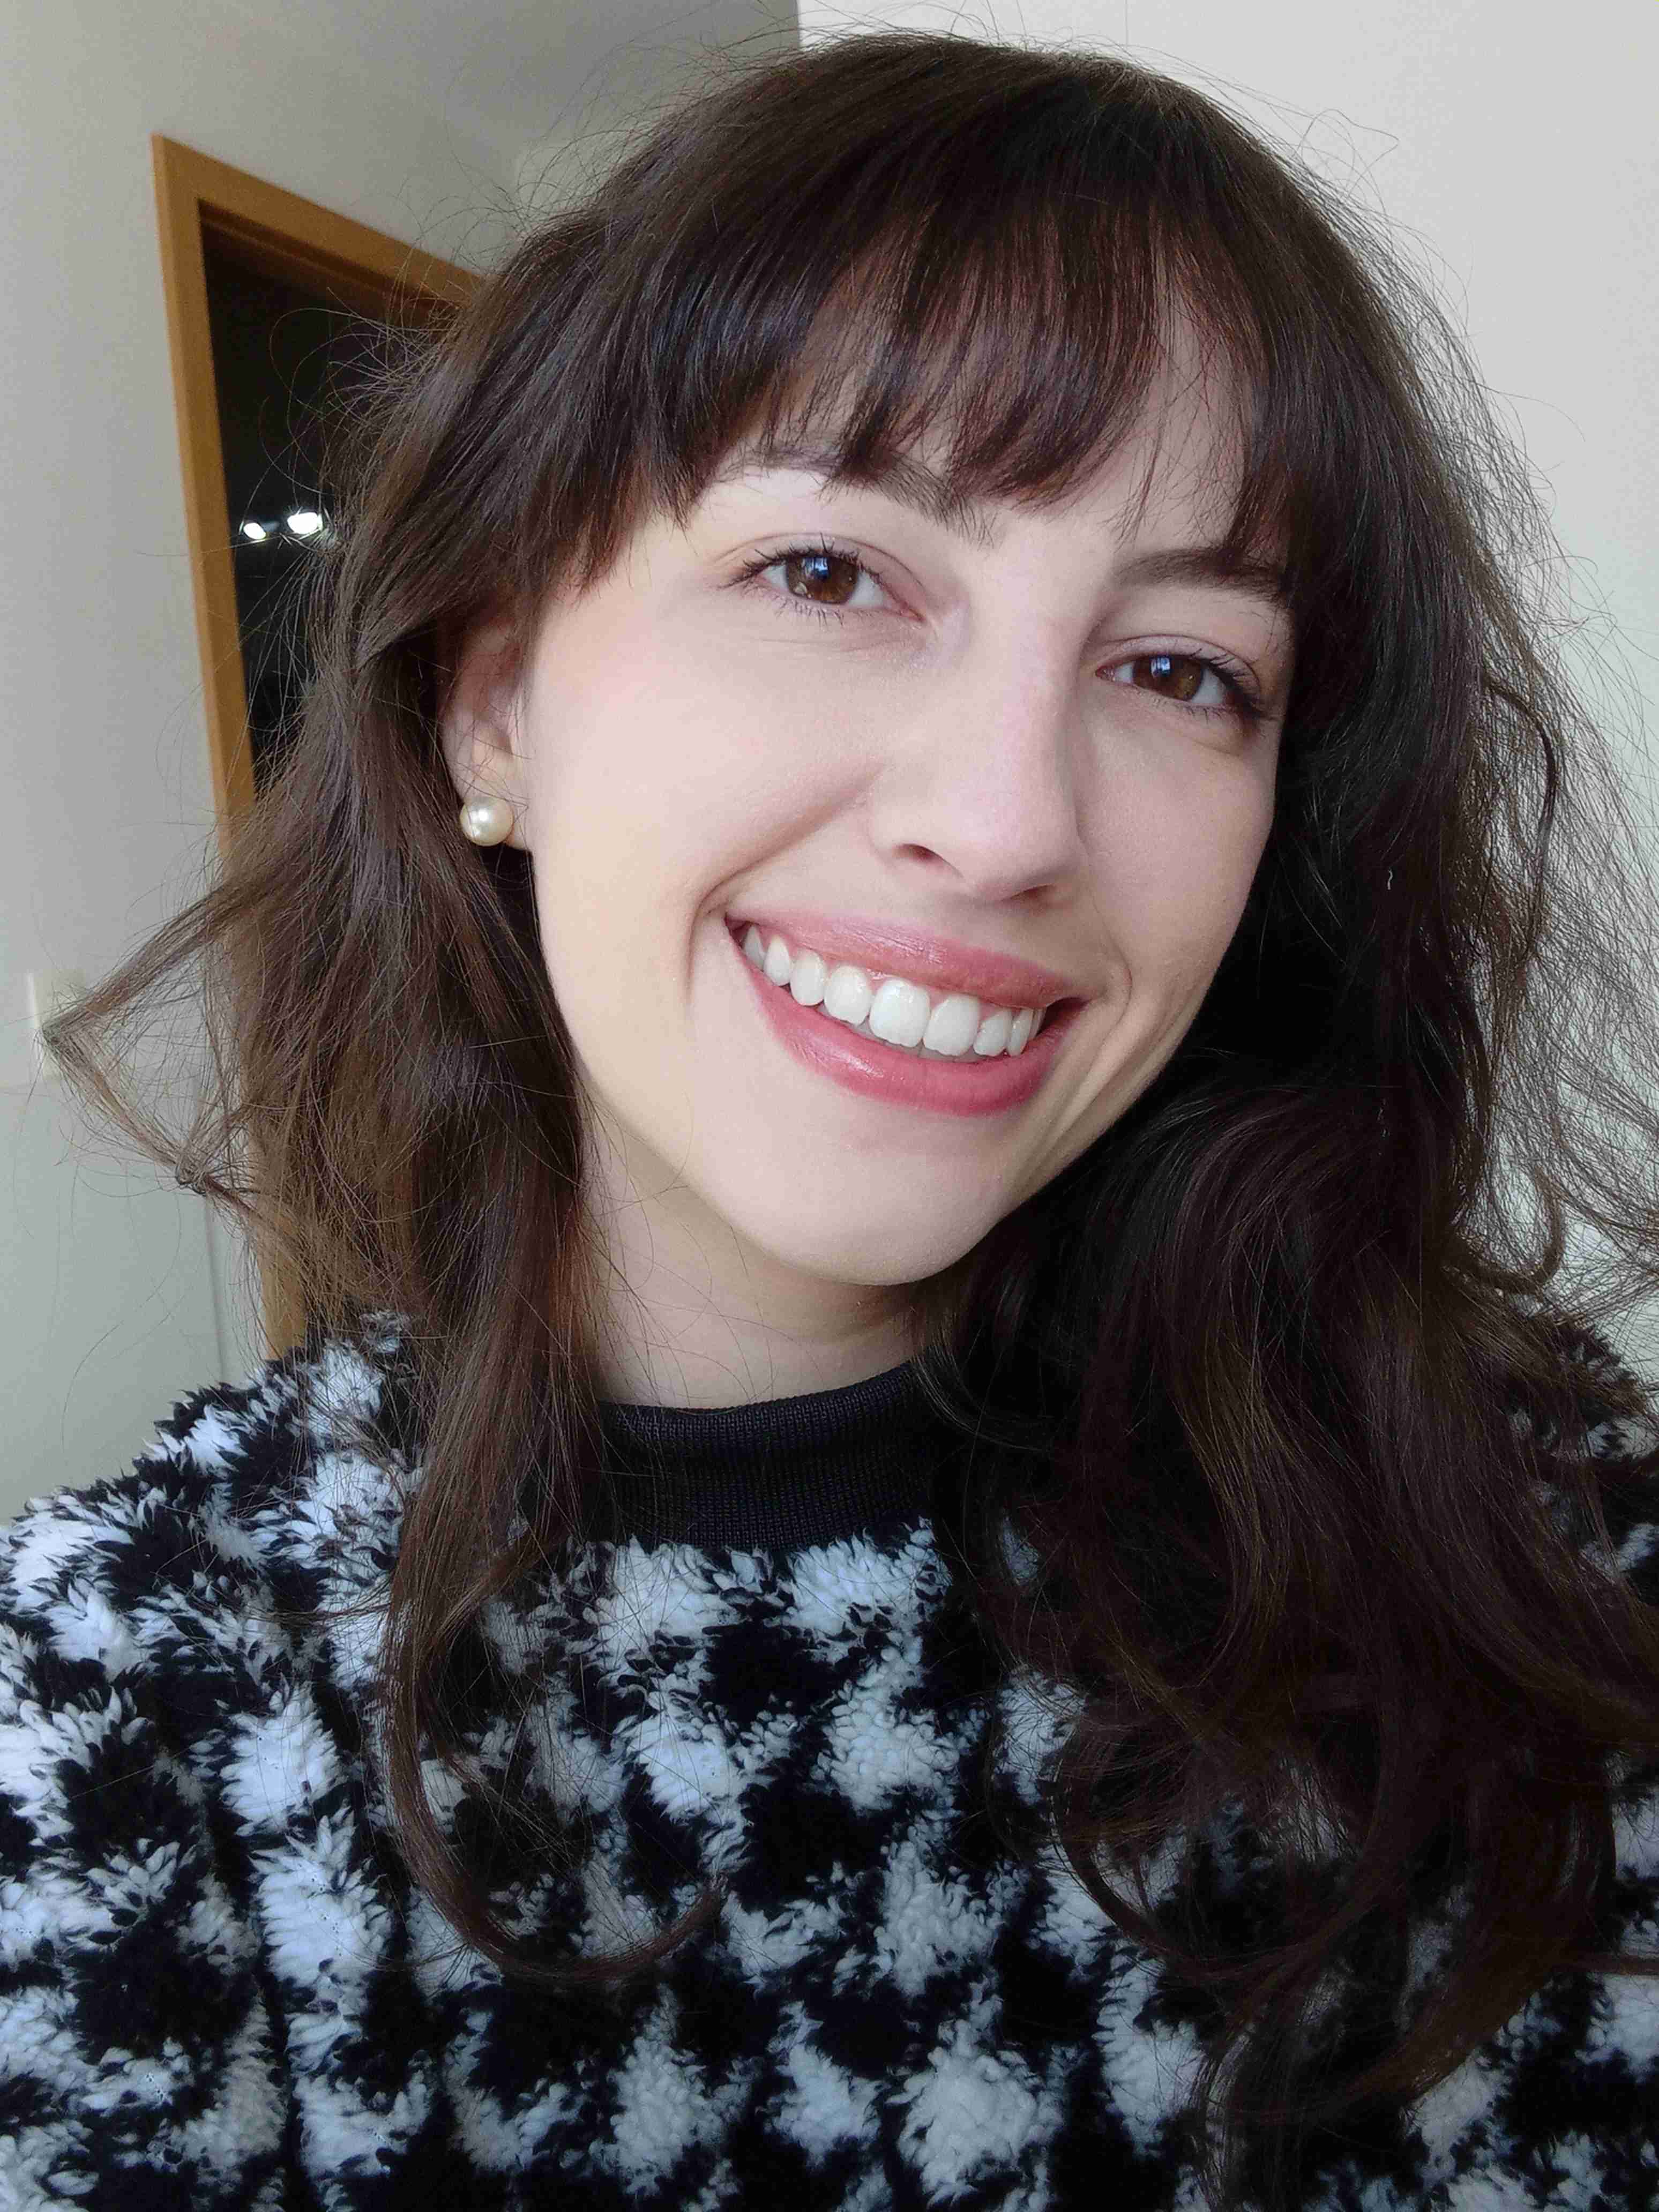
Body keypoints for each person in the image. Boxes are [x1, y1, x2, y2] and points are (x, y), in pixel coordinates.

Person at [3, 27, 1657, 2212]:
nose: (1007, 821)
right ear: (494, 706)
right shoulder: (118, 1709)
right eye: (833, 575)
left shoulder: (1545, 1584)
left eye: (1183, 669)